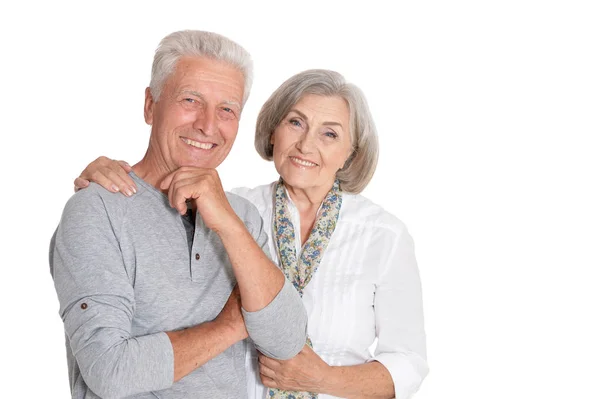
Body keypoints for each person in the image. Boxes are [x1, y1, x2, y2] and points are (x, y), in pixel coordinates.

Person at [76, 69, 429, 399]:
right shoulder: (230, 210)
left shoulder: (383, 236)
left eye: (330, 133)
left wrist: (319, 377)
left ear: (350, 153)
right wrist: (105, 178)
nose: (306, 145)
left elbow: (408, 363)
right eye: (296, 122)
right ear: (273, 131)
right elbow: (154, 195)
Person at [50, 30, 308, 399]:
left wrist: (228, 223)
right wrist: (231, 326)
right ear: (150, 105)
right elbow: (110, 371)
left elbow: (286, 343)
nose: (207, 124)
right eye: (191, 100)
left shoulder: (243, 217)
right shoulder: (97, 210)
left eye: (227, 110)